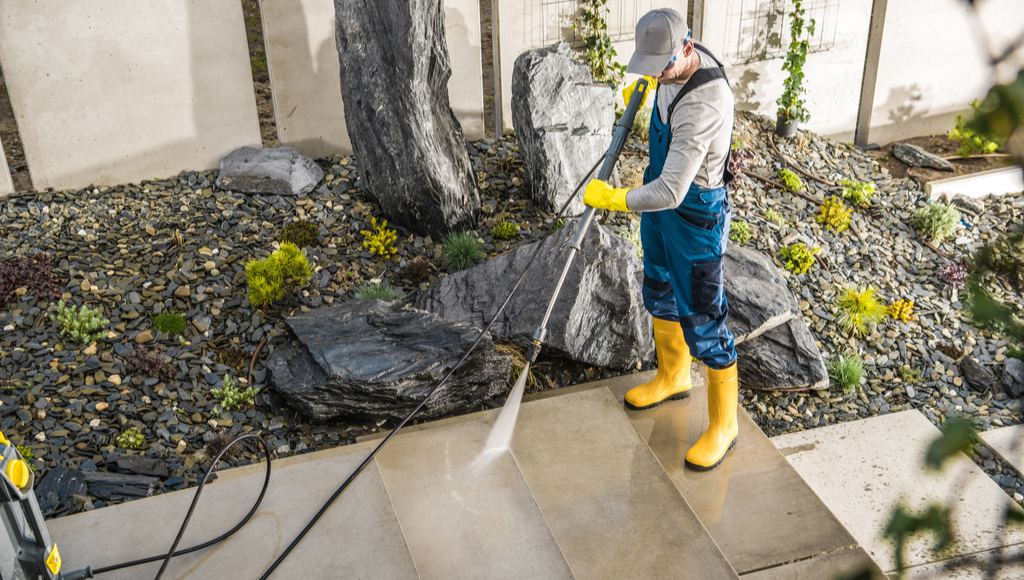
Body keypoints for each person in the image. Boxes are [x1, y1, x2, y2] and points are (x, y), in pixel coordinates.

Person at [583, 8, 738, 471]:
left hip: (692, 213)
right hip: (661, 198)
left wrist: (614, 199)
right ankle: (673, 376)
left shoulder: (703, 104)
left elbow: (671, 192)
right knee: (658, 287)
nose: (657, 75)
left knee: (705, 317)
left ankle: (724, 425)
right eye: (649, 67)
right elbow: (663, 181)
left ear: (686, 50)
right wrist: (648, 84)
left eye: (661, 68)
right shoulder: (671, 65)